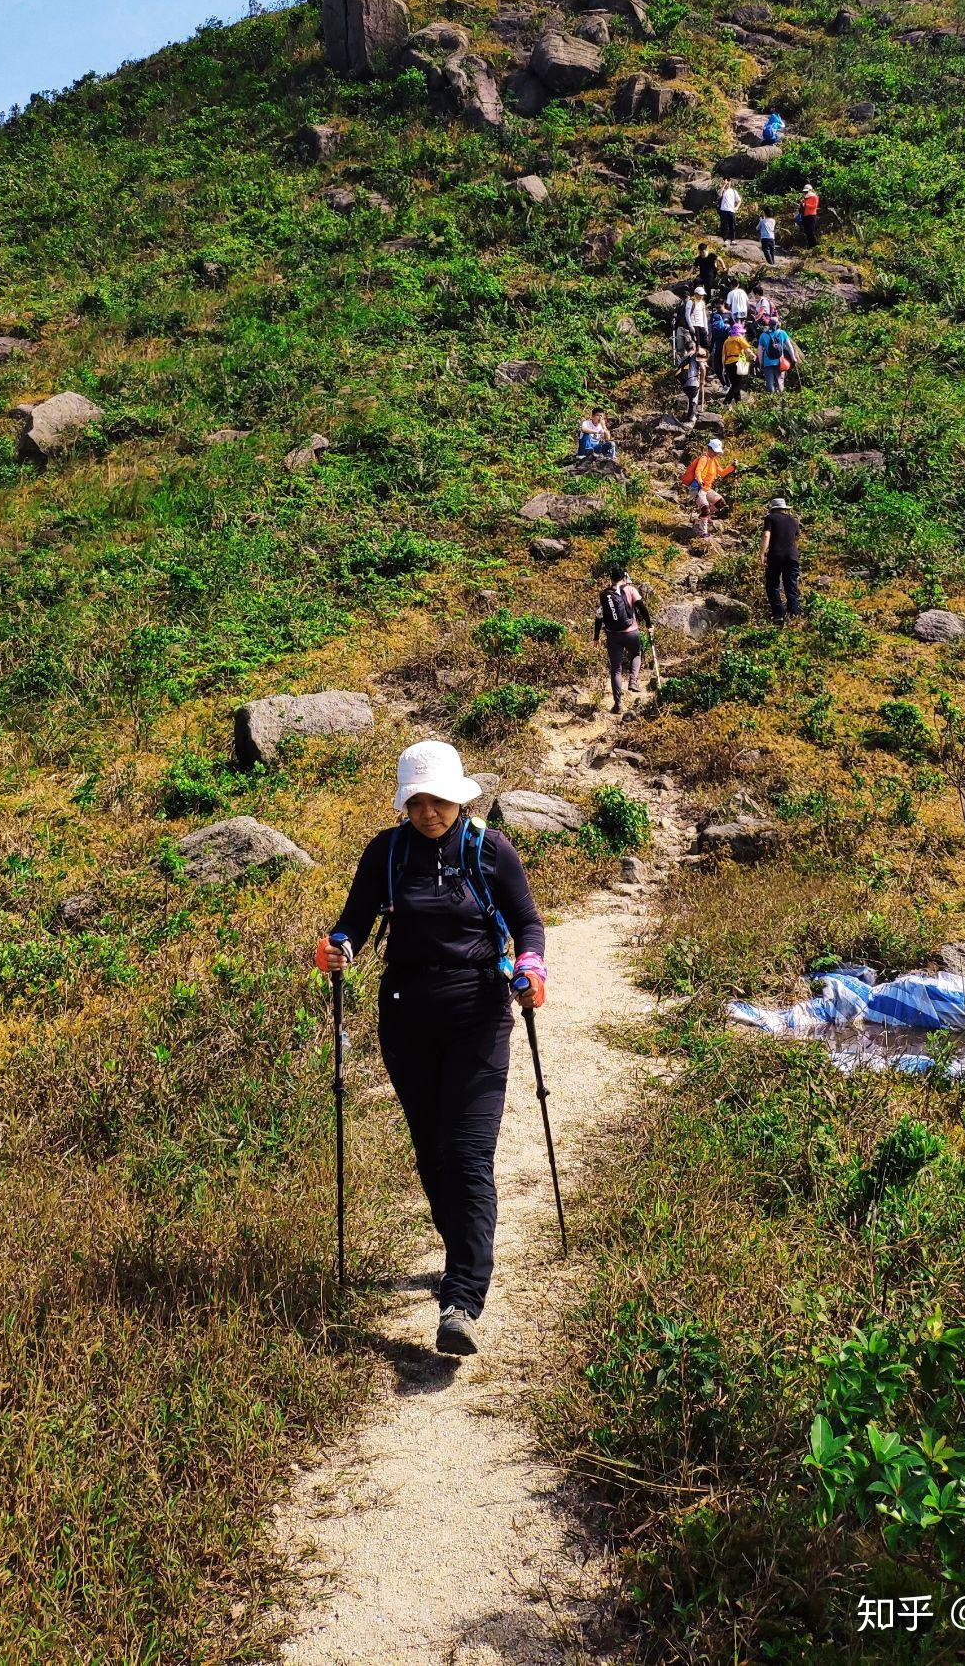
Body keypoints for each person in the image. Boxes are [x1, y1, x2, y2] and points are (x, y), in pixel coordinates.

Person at [316, 740, 546, 1359]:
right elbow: (353, 923)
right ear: (404, 803)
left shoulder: (489, 850)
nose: (428, 812)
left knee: (468, 1156)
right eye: (417, 802)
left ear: (459, 796)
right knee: (432, 1158)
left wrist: (531, 968)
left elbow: (527, 924)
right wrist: (336, 947)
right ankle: (460, 1251)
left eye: (438, 800)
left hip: (478, 1018)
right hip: (406, 1022)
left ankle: (462, 1300)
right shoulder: (386, 854)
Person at [594, 563, 651, 715]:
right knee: (636, 654)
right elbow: (642, 608)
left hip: (613, 635)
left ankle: (618, 705)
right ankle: (633, 681)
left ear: (610, 579)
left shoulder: (604, 594)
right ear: (624, 577)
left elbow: (599, 617)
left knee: (616, 670)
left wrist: (596, 637)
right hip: (632, 632)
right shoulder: (631, 589)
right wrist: (649, 625)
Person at [682, 437, 736, 537]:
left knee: (720, 503)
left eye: (717, 452)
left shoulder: (714, 461)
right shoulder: (704, 458)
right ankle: (703, 532)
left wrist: (732, 467)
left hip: (707, 489)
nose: (716, 454)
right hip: (697, 488)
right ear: (710, 449)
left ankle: (704, 516)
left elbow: (722, 473)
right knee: (705, 508)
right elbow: (698, 471)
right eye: (715, 452)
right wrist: (700, 480)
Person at [760, 495, 801, 622]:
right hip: (792, 557)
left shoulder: (770, 518)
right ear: (784, 509)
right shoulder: (794, 521)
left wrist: (762, 553)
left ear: (772, 509)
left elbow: (766, 535)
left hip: (775, 556)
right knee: (791, 587)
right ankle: (794, 616)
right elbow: (795, 537)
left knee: (772, 585)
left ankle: (778, 615)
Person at [721, 320, 757, 405]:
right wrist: (754, 356)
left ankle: (738, 403)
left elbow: (723, 356)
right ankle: (726, 401)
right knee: (738, 384)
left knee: (734, 384)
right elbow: (748, 350)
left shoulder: (727, 341)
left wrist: (724, 367)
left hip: (728, 364)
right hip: (737, 362)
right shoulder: (739, 338)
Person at [758, 321, 797, 394]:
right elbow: (789, 346)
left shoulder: (763, 335)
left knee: (770, 383)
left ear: (768, 325)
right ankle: (780, 398)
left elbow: (759, 351)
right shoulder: (782, 333)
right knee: (780, 382)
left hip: (767, 363)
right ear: (778, 324)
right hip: (780, 362)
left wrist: (761, 363)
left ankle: (771, 399)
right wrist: (793, 358)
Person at [678, 345, 706, 425]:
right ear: (693, 348)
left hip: (684, 384)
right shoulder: (695, 356)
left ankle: (689, 417)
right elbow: (703, 368)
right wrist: (702, 380)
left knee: (691, 400)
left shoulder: (683, 358)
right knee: (693, 401)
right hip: (693, 382)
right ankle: (690, 420)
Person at [796, 181, 820, 248]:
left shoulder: (814, 197)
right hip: (805, 216)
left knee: (811, 231)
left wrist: (806, 204)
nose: (805, 193)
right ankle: (810, 246)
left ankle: (814, 245)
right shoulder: (806, 198)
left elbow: (814, 206)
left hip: (811, 216)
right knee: (806, 232)